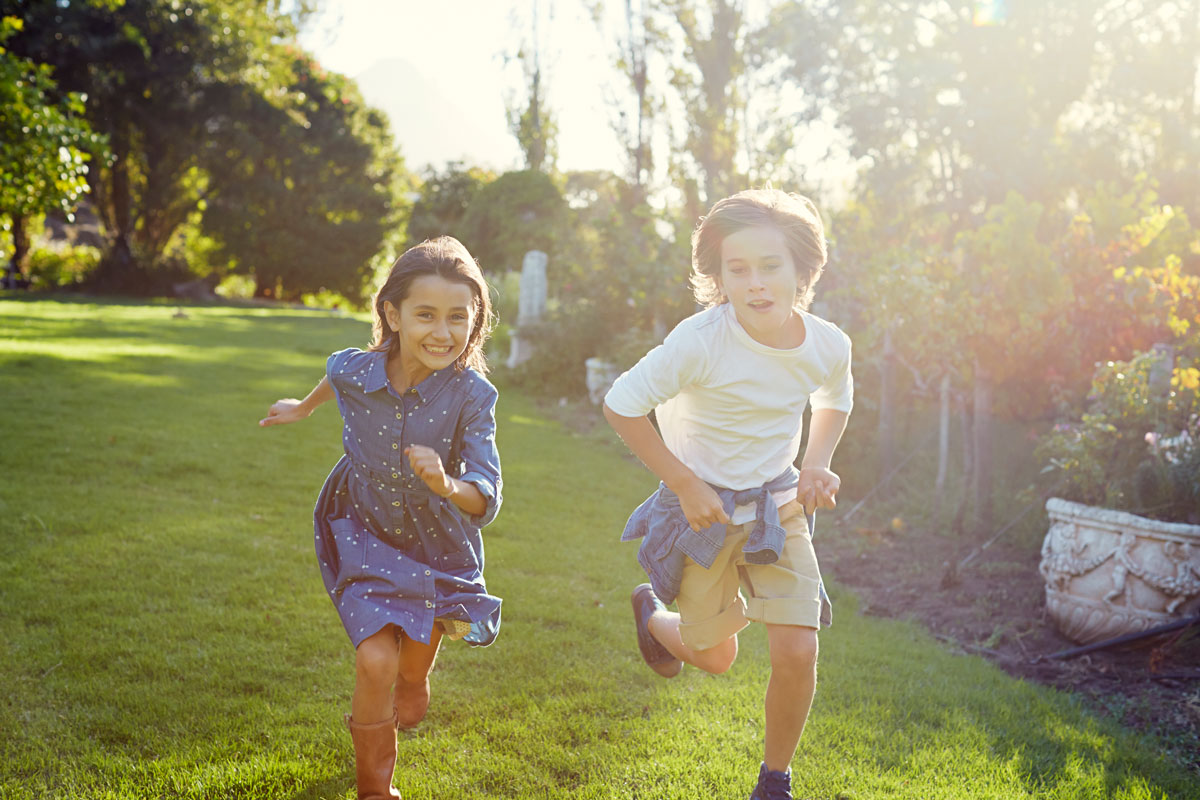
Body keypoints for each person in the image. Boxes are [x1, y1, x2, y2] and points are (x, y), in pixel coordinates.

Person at [603, 189, 852, 800]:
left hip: (778, 506)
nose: (756, 284)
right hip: (702, 511)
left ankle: (774, 782)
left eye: (771, 267)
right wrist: (684, 484)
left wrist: (816, 462)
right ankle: (653, 617)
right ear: (718, 275)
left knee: (797, 646)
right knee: (715, 657)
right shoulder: (699, 341)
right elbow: (621, 405)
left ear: (802, 269)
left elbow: (834, 399)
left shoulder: (827, 344)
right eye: (737, 269)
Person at [260, 236, 503, 800]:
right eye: (426, 315)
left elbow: (485, 492)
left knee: (409, 664)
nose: (442, 332)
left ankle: (415, 679)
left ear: (475, 321)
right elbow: (335, 378)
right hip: (363, 530)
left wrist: (447, 483)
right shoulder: (357, 369)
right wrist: (302, 407)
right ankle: (375, 788)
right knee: (374, 660)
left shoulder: (473, 395)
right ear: (392, 315)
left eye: (457, 317)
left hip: (436, 545)